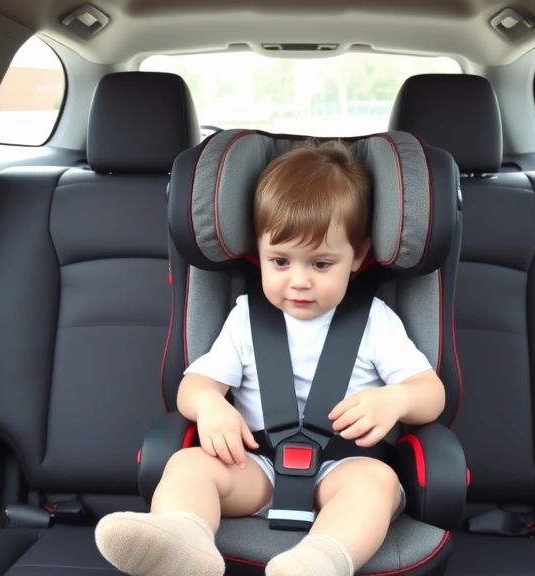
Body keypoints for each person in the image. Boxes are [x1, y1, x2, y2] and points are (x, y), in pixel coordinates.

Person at [94, 139, 446, 576]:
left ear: (356, 256)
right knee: (188, 463)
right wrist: (209, 408)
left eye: (320, 264)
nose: (298, 281)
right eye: (280, 261)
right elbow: (195, 385)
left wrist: (394, 400)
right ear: (257, 255)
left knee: (377, 485)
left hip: (346, 467)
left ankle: (321, 561)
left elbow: (431, 393)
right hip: (255, 467)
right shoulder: (246, 318)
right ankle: (184, 540)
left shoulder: (375, 321)